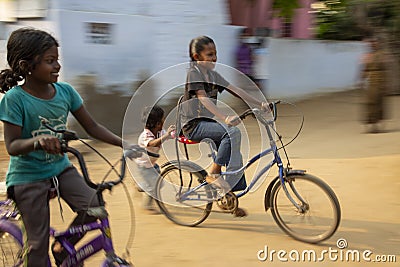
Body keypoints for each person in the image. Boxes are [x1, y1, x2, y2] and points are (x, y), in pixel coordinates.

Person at [0, 27, 126, 267]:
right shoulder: (15, 99)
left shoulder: (66, 92)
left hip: (60, 169)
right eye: (50, 61)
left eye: (57, 60)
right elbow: (13, 146)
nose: (57, 66)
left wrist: (125, 144)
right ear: (28, 66)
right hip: (28, 177)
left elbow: (93, 126)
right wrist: (38, 141)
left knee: (95, 207)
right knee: (36, 246)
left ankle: (62, 246)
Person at [182, 35, 269, 217]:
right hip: (193, 125)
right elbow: (203, 98)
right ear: (197, 57)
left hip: (208, 123)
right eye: (209, 54)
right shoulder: (194, 73)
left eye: (215, 54)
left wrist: (259, 103)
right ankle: (213, 173)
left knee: (234, 151)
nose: (214, 58)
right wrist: (224, 116)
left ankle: (229, 200)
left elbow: (235, 90)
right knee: (232, 132)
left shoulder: (213, 75)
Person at [135, 105, 175, 212]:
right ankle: (147, 205)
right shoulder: (145, 136)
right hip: (144, 167)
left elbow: (169, 135)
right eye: (163, 120)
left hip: (152, 165)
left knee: (158, 183)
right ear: (158, 124)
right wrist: (166, 136)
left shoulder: (159, 132)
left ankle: (141, 185)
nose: (164, 121)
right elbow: (152, 143)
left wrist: (175, 134)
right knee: (154, 186)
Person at [359, 36, 387, 133]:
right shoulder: (367, 56)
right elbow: (365, 69)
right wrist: (362, 80)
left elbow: (385, 69)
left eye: (375, 42)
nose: (373, 44)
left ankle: (377, 125)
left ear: (378, 44)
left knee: (380, 102)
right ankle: (370, 123)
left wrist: (386, 83)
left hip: (381, 80)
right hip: (371, 81)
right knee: (370, 103)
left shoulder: (383, 54)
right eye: (372, 43)